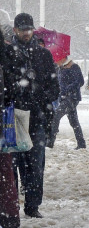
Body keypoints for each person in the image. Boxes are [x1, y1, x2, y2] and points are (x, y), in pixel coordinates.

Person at [5, 13, 59, 218]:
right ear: (15, 30)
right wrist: (17, 91)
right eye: (22, 29)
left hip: (36, 117)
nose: (26, 33)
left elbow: (54, 88)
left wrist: (38, 97)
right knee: (12, 166)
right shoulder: (8, 53)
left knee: (35, 164)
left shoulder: (43, 55)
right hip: (14, 117)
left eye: (29, 29)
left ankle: (32, 205)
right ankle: (12, 206)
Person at [0, 29, 20, 228]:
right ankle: (9, 217)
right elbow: (12, 91)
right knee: (6, 173)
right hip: (2, 126)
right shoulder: (7, 55)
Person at [47, 57, 86, 149]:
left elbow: (80, 81)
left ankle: (50, 142)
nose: (56, 62)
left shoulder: (74, 67)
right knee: (74, 122)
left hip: (72, 98)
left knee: (56, 116)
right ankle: (81, 143)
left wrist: (67, 89)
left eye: (57, 60)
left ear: (63, 58)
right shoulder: (60, 68)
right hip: (64, 98)